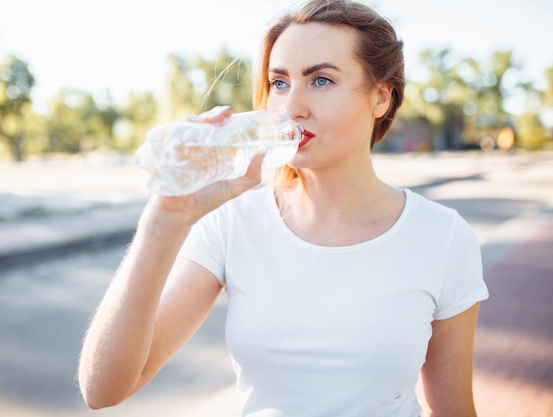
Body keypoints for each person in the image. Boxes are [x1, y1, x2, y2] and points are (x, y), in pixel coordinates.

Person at [78, 1, 489, 416]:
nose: (292, 107)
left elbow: (454, 410)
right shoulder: (231, 223)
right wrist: (163, 220)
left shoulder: (442, 236)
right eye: (279, 83)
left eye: (321, 80)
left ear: (381, 98)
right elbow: (104, 389)